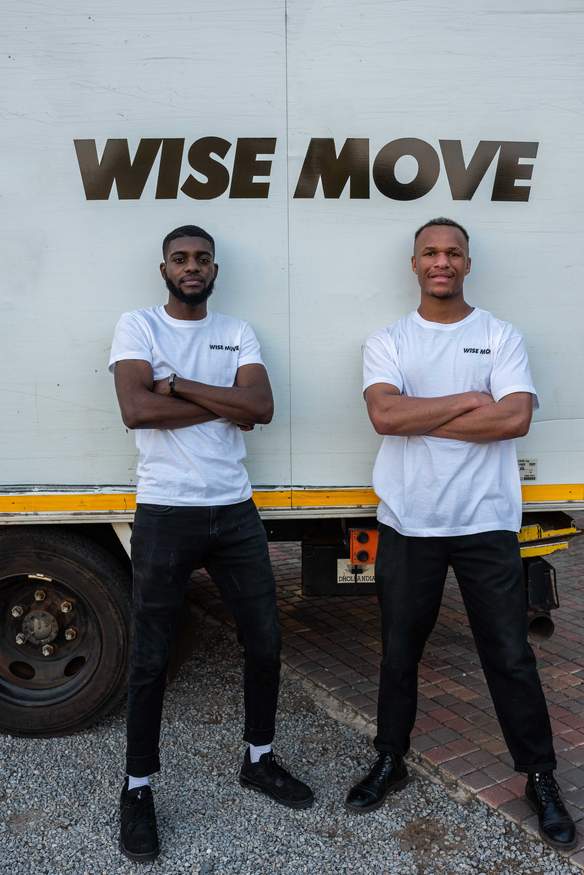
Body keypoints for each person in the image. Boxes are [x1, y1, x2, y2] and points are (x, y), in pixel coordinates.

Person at [345, 217, 576, 851]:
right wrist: (471, 400)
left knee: (510, 657)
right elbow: (384, 415)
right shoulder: (388, 339)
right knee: (399, 654)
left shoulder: (499, 334)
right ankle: (390, 758)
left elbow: (515, 418)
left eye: (453, 252)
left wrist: (422, 415)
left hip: (485, 523)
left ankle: (540, 777)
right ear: (414, 264)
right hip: (410, 522)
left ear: (468, 263)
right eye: (430, 252)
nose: (441, 261)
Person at [109, 225, 313, 863]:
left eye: (201, 259)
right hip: (167, 511)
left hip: (234, 512)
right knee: (151, 657)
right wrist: (227, 404)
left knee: (266, 641)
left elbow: (262, 406)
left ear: (215, 269)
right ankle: (137, 789)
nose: (191, 267)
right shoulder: (138, 326)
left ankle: (259, 759)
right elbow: (136, 410)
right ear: (164, 269)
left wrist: (176, 386)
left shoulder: (237, 331)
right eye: (180, 259)